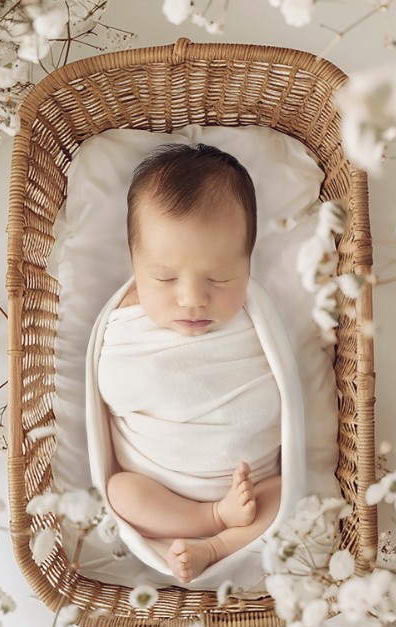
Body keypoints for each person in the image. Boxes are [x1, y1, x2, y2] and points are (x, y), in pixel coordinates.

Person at [96, 143, 283, 584]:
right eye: (164, 278)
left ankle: (217, 545)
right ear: (135, 265)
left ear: (248, 263)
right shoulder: (127, 322)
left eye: (220, 278)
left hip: (249, 481)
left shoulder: (255, 316)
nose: (193, 298)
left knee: (285, 494)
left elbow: (281, 383)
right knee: (121, 492)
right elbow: (113, 388)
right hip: (159, 486)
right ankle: (208, 519)